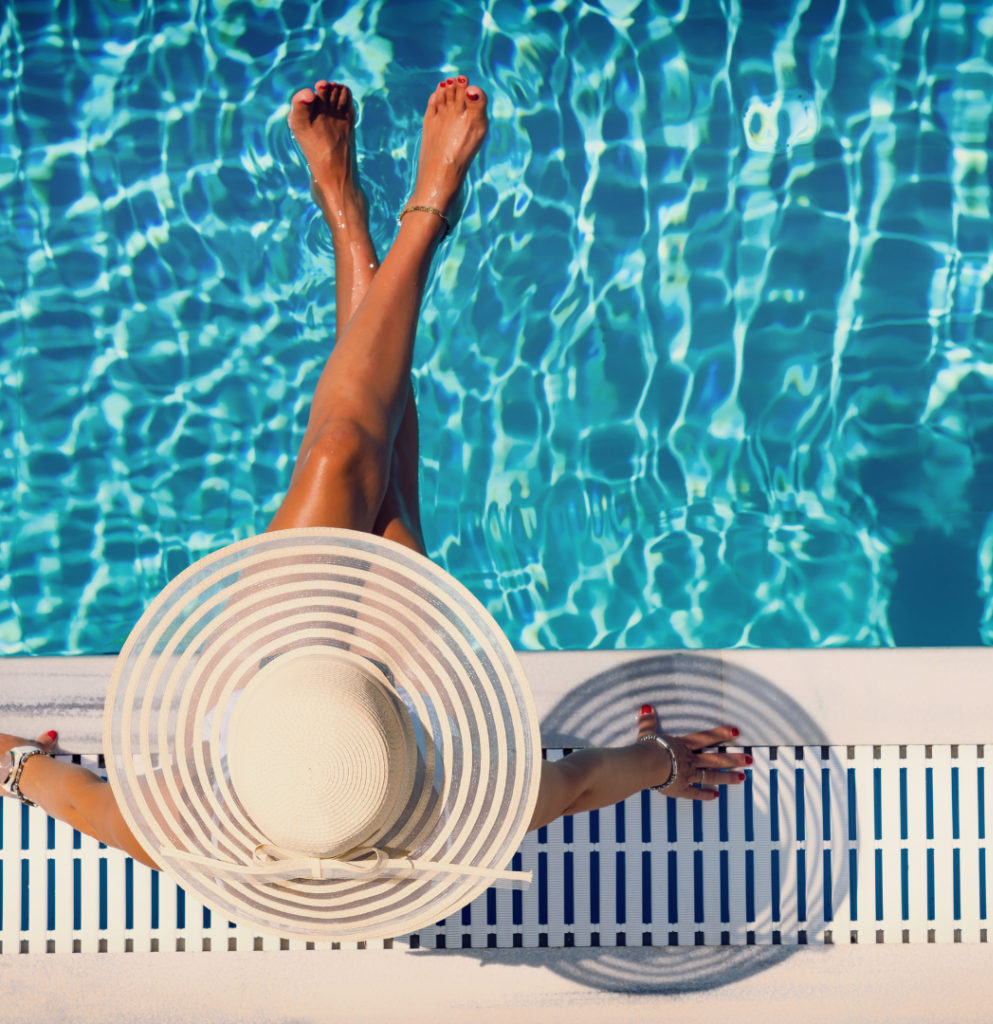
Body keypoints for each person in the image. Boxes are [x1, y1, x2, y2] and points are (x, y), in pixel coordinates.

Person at [1, 76, 749, 878]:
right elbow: (584, 778)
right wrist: (662, 761)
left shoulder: (179, 826)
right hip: (401, 712)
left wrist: (14, 765)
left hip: (271, 680)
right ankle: (405, 213)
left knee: (343, 450)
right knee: (380, 473)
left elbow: (71, 797)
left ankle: (371, 218)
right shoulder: (461, 808)